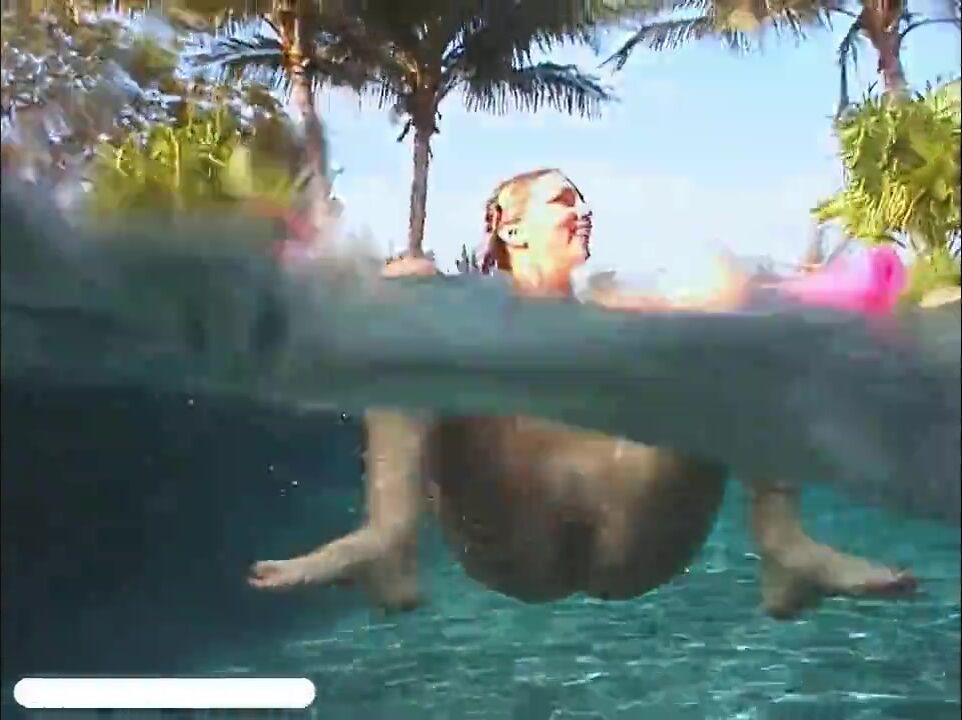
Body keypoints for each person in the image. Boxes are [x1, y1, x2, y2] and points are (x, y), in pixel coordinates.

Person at [248, 168, 916, 618]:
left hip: (647, 548)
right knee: (408, 285)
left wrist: (738, 303)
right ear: (509, 227)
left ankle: (783, 541)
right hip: (508, 545)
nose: (584, 211)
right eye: (564, 200)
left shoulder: (624, 309)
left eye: (582, 201)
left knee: (722, 290)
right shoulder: (454, 314)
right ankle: (388, 534)